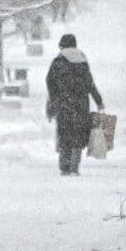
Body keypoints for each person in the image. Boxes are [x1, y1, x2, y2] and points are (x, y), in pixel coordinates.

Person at [45, 34, 105, 175]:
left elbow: (49, 81)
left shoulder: (58, 62)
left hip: (63, 104)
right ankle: (74, 167)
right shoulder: (82, 62)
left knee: (64, 134)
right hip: (81, 105)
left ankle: (64, 167)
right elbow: (90, 84)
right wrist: (99, 101)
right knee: (78, 135)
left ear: (62, 45)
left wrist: (54, 99)